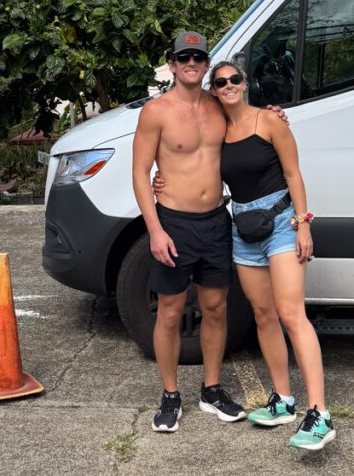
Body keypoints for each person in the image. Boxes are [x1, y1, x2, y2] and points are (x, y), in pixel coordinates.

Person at [156, 59, 335, 451]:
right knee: (263, 314)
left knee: (291, 313)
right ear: (214, 90)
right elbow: (191, 157)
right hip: (241, 226)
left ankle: (320, 412)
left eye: (235, 79)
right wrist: (162, 177)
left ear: (246, 83)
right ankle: (283, 400)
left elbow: (293, 174)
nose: (228, 85)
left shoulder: (269, 122)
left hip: (281, 223)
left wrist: (304, 223)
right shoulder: (219, 126)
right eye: (220, 82)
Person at [131, 31, 247, 434]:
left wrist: (276, 113)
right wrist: (155, 230)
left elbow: (253, 122)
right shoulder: (156, 111)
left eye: (198, 57)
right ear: (172, 64)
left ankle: (211, 390)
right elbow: (140, 174)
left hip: (216, 221)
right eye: (184, 58)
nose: (191, 63)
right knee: (169, 312)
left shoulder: (220, 106)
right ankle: (170, 395)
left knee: (216, 308)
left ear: (206, 63)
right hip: (174, 224)